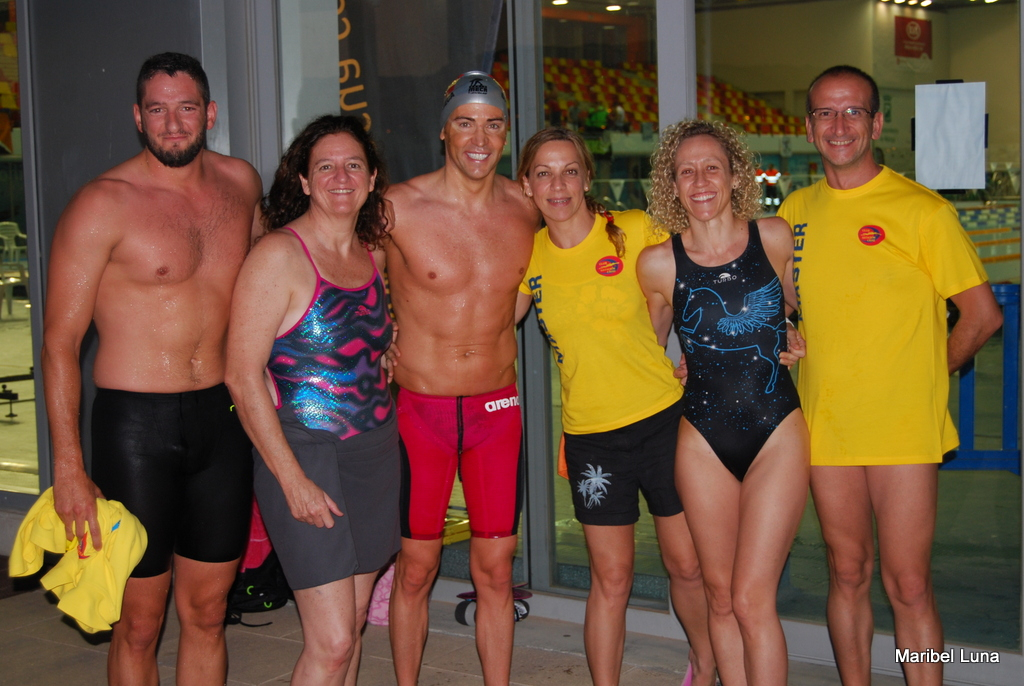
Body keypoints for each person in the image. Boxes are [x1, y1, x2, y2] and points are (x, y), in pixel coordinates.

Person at [777, 65, 1003, 686]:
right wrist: (786, 333)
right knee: (847, 571)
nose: (839, 124)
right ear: (809, 128)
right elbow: (786, 305)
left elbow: (982, 316)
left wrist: (925, 375)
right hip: (827, 425)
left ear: (876, 124)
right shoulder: (795, 211)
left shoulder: (922, 211)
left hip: (902, 430)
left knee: (908, 583)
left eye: (853, 111)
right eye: (825, 112)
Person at [41, 52, 262, 684]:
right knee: (139, 622)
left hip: (221, 418)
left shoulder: (241, 184)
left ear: (209, 113)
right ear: (138, 117)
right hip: (135, 428)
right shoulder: (101, 204)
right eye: (157, 110)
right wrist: (68, 466)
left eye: (186, 107)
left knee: (209, 612)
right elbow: (59, 343)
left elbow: (273, 278)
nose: (172, 124)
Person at [515, 128, 715, 686]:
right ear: (527, 185)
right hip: (592, 439)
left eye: (569, 170)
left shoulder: (632, 230)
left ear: (586, 177)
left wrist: (702, 352)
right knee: (611, 579)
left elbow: (703, 274)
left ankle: (706, 665)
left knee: (687, 565)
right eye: (544, 173)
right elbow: (485, 323)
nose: (558, 185)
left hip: (663, 422)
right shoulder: (527, 256)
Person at [225, 114, 399, 686]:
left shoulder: (372, 256)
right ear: (303, 180)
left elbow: (365, 342)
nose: (340, 177)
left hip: (374, 452)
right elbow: (241, 375)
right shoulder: (278, 255)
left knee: (352, 625)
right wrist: (291, 479)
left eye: (353, 165)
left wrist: (388, 351)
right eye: (325, 166)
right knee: (332, 641)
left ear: (371, 179)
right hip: (305, 454)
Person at [637, 119, 810, 686]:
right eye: (686, 171)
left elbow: (799, 305)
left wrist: (793, 330)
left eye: (712, 167)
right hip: (703, 439)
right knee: (718, 594)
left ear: (735, 176)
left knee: (751, 597)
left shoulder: (774, 237)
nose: (700, 181)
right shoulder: (659, 264)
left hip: (775, 429)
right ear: (672, 184)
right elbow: (646, 348)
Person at [384, 72, 538, 686]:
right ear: (444, 131)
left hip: (496, 412)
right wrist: (374, 340)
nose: (480, 138)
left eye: (493, 124)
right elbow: (344, 275)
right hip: (419, 412)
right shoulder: (397, 207)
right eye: (466, 123)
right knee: (416, 569)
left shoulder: (527, 208)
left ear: (506, 133)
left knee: (496, 571)